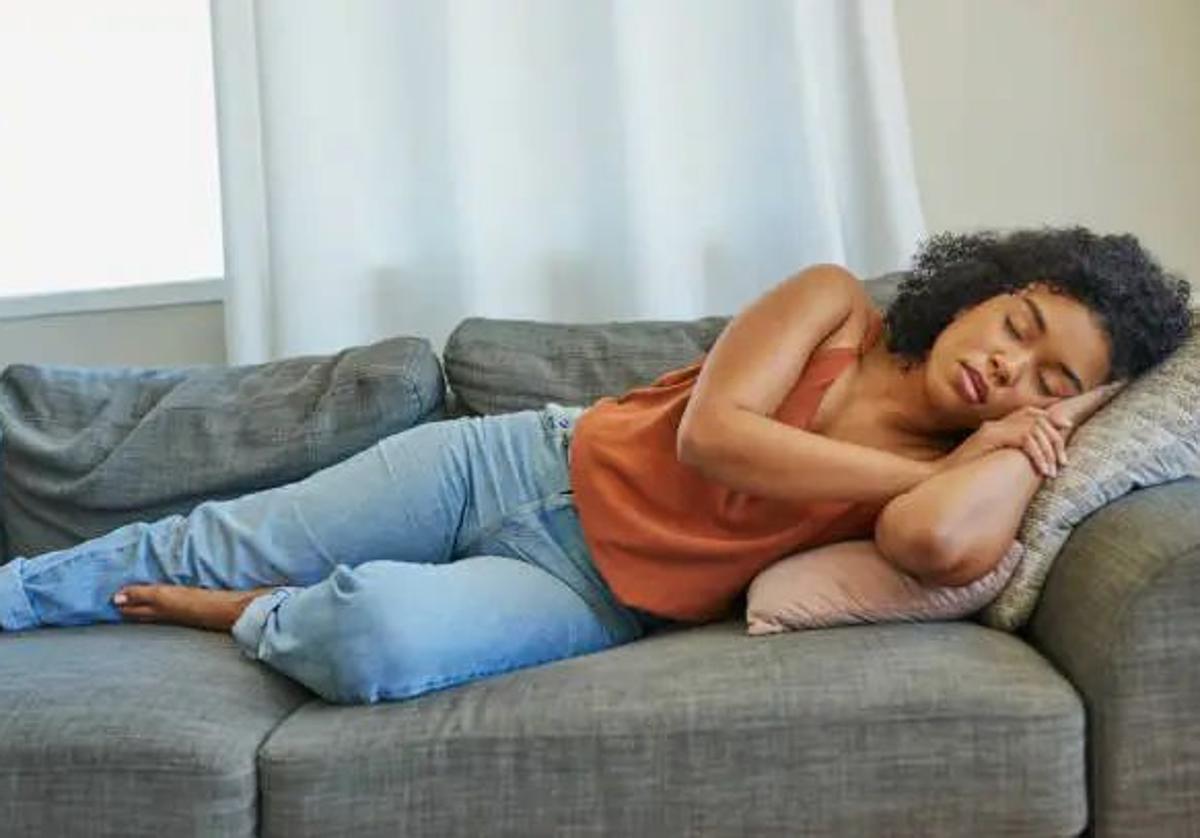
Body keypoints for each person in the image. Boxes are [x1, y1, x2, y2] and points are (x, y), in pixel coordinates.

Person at [0, 226, 1190, 705]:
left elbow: (940, 546)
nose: (1009, 373)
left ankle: (246, 618)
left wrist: (1019, 455)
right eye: (1020, 328)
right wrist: (941, 463)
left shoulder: (977, 471)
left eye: (1054, 384)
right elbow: (710, 437)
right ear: (992, 289)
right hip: (518, 463)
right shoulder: (832, 307)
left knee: (378, 647)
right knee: (210, 533)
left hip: (593, 594)